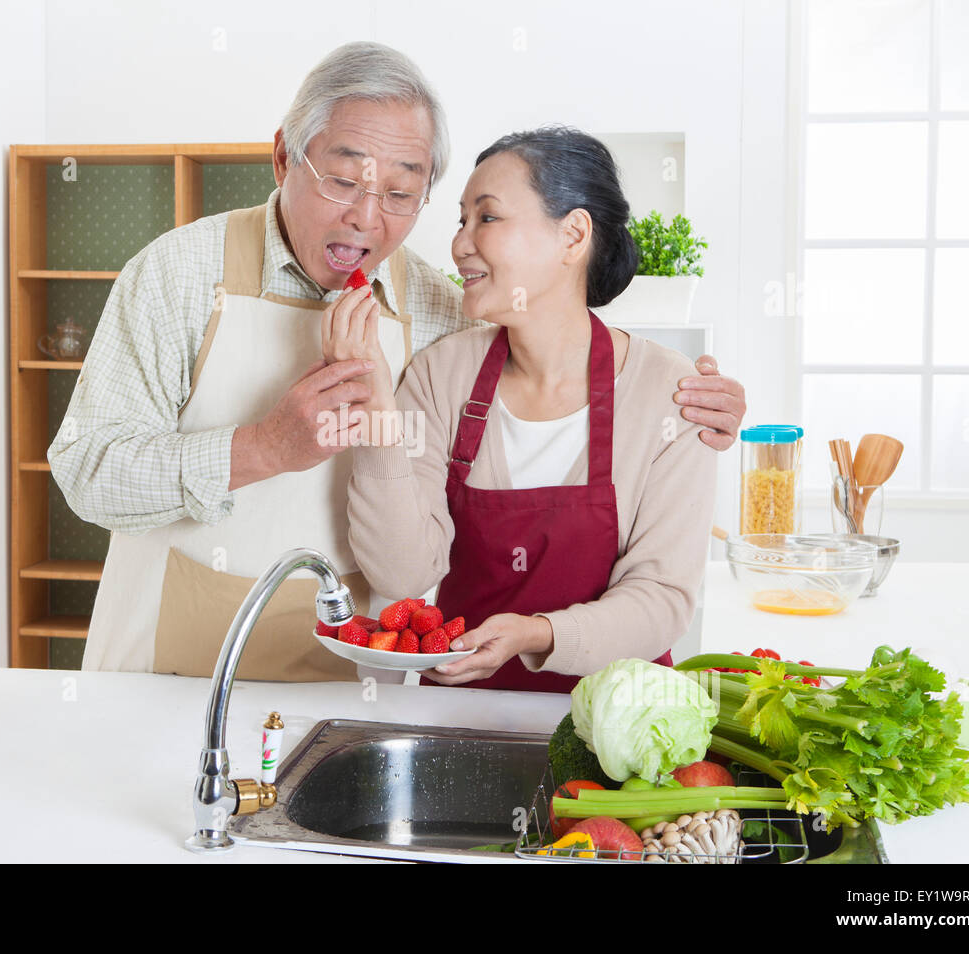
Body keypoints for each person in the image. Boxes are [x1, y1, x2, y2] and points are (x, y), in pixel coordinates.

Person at [48, 42, 745, 678]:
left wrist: (693, 402)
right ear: (285, 156)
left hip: (349, 675)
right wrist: (263, 447)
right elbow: (87, 475)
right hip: (168, 669)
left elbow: (552, 351)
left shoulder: (443, 315)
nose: (366, 217)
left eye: (402, 193)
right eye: (344, 180)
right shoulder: (179, 275)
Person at [339, 126, 718, 691]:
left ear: (572, 235)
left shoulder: (673, 394)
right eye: (461, 221)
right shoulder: (440, 376)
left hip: (615, 732)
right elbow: (403, 572)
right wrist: (372, 408)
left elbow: (662, 599)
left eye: (487, 218)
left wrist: (538, 634)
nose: (460, 243)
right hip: (465, 717)